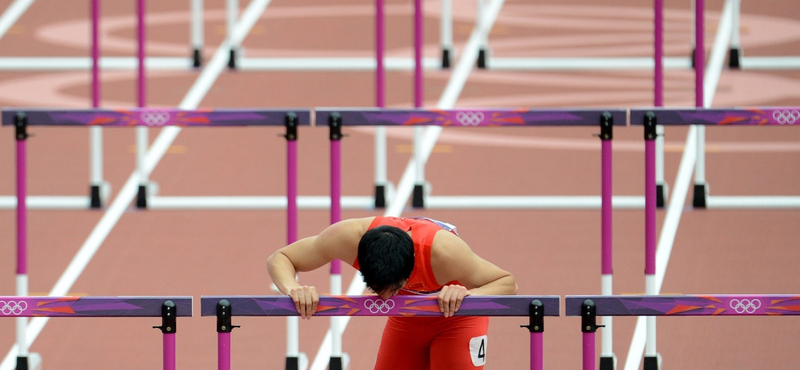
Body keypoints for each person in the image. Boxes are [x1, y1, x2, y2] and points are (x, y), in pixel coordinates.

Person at [266, 216, 518, 370]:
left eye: (395, 289)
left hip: (457, 318)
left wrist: (468, 295)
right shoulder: (347, 237)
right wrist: (294, 289)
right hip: (406, 318)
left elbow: (507, 282)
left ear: (411, 268)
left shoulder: (444, 252)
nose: (385, 299)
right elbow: (281, 257)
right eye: (377, 290)